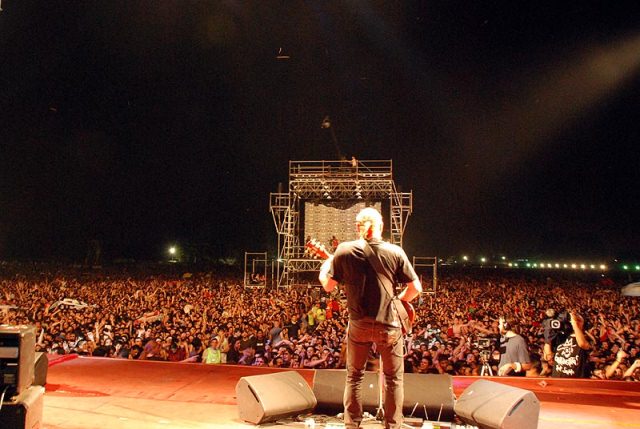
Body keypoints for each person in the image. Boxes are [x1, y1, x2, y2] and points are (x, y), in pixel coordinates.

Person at [319, 207, 422, 429]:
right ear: (381, 226)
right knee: (394, 380)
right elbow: (416, 288)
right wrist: (399, 300)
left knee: (354, 377)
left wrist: (323, 268)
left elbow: (328, 286)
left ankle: (352, 424)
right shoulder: (395, 252)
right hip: (389, 325)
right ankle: (392, 425)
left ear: (358, 227)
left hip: (359, 324)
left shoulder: (344, 250)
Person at [547, 312, 592, 378]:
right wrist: (548, 335)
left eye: (578, 320)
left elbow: (583, 344)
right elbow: (548, 357)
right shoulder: (560, 337)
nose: (573, 321)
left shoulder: (586, 338)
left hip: (574, 382)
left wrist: (575, 325)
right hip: (557, 381)